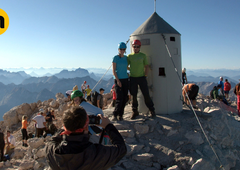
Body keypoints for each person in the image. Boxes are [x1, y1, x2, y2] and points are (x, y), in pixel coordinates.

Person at [45, 106, 127, 170]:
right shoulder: (96, 154)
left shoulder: (53, 153)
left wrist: (67, 126)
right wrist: (108, 125)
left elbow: (52, 140)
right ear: (86, 128)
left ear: (65, 126)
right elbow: (121, 149)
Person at [127, 39, 156, 119]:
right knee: (134, 96)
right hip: (133, 78)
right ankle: (135, 111)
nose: (135, 48)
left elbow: (146, 66)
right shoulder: (130, 56)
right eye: (134, 46)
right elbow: (126, 65)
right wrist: (131, 70)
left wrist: (145, 75)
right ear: (132, 47)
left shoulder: (143, 56)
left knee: (146, 94)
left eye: (137, 46)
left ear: (140, 47)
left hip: (142, 78)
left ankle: (152, 110)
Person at [112, 42, 129, 121]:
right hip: (118, 79)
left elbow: (126, 67)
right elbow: (114, 71)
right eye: (121, 49)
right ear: (118, 50)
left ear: (125, 50)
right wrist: (118, 81)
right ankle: (115, 114)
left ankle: (120, 115)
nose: (122, 50)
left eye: (123, 49)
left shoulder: (126, 58)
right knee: (119, 98)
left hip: (125, 79)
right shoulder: (115, 58)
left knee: (125, 98)